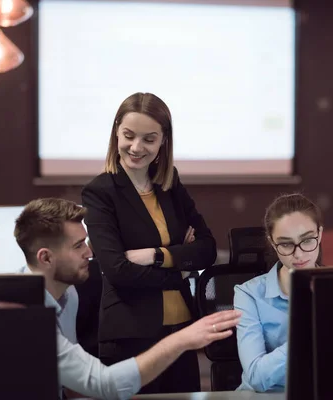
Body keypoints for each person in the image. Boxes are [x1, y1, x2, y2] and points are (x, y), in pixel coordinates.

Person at [14, 198, 238, 400]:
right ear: (46, 257)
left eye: (85, 242)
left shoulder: (67, 294)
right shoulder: (27, 314)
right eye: (78, 246)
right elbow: (104, 383)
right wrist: (183, 340)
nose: (90, 253)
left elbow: (73, 384)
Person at [81, 92, 217, 393]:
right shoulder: (100, 192)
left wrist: (156, 255)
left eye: (149, 139)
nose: (136, 147)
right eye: (129, 136)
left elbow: (206, 248)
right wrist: (180, 265)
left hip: (182, 332)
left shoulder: (169, 183)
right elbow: (118, 271)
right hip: (131, 335)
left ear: (163, 141)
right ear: (116, 131)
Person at [233, 193, 323, 393]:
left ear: (320, 234)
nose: (298, 254)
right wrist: (306, 335)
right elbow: (256, 376)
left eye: (308, 240)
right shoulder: (248, 294)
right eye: (286, 244)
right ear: (272, 243)